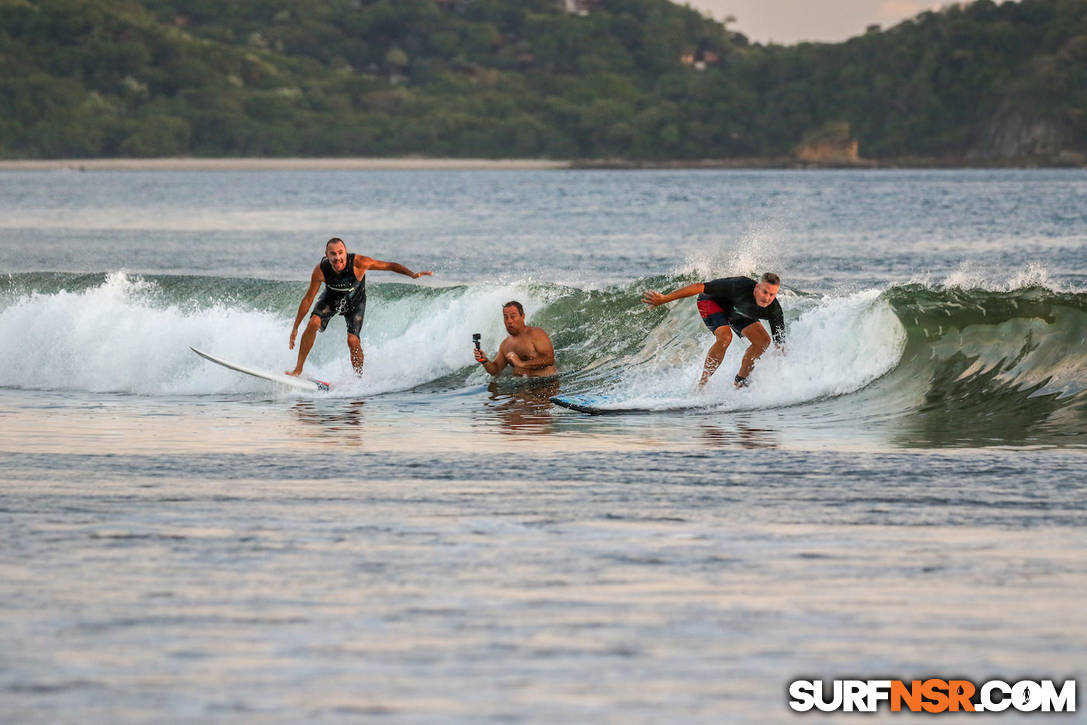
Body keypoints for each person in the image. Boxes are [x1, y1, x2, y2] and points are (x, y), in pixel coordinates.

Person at [287, 237, 432, 377]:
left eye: (340, 252)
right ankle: (298, 369)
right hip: (331, 298)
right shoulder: (320, 270)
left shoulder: (359, 263)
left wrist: (412, 274)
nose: (337, 257)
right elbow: (308, 299)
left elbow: (390, 265)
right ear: (326, 255)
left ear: (346, 252)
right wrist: (295, 328)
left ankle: (358, 378)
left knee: (352, 340)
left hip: (355, 302)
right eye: (332, 254)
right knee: (313, 323)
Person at [642, 272, 785, 388]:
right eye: (765, 292)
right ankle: (702, 385)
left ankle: (740, 382)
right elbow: (699, 287)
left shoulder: (774, 311)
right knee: (725, 337)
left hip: (737, 312)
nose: (767, 298)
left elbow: (780, 347)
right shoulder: (739, 285)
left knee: (763, 341)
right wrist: (665, 299)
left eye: (772, 295)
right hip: (712, 302)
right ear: (756, 288)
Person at [473, 301, 557, 378]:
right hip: (524, 387)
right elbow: (496, 370)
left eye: (513, 316)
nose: (509, 321)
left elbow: (549, 359)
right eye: (506, 317)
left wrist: (521, 364)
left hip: (546, 382)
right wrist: (484, 361)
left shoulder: (536, 334)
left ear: (522, 316)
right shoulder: (505, 344)